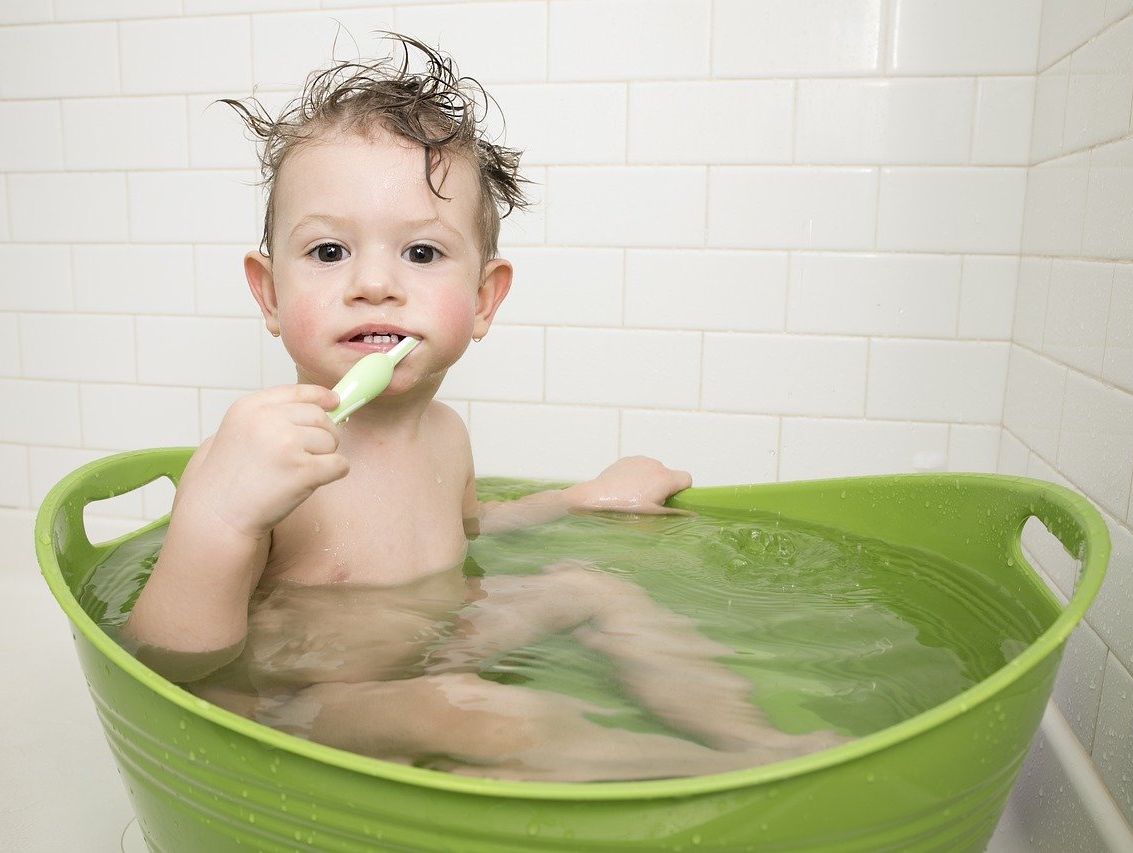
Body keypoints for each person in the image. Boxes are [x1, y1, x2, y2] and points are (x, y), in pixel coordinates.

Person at [122, 34, 842, 781]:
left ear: (483, 298)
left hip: (441, 636)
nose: (375, 283)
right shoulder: (258, 459)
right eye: (330, 252)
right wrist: (219, 514)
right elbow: (167, 655)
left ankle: (758, 745)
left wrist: (575, 499)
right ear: (270, 293)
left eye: (422, 254)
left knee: (591, 584)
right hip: (302, 699)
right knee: (466, 709)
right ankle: (727, 788)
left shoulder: (444, 434)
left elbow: (468, 528)